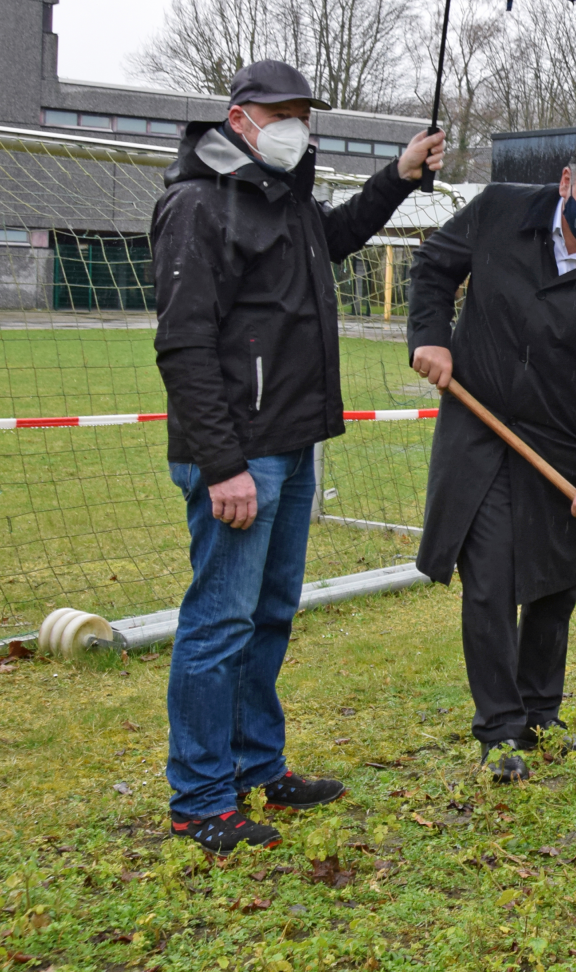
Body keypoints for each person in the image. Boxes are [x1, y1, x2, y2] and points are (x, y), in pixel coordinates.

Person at [152, 59, 443, 853]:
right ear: (238, 117)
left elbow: (337, 236)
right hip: (239, 457)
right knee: (218, 624)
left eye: (303, 114)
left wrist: (400, 174)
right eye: (281, 112)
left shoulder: (284, 200)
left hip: (290, 444)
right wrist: (222, 465)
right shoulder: (198, 206)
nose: (296, 126)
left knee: (270, 615)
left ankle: (256, 766)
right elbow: (183, 347)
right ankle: (201, 798)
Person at [407, 134, 576, 782]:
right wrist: (431, 337)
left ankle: (540, 716)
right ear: (564, 183)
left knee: (555, 584)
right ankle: (499, 731)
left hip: (563, 437)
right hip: (481, 425)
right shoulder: (497, 210)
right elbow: (436, 266)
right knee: (490, 581)